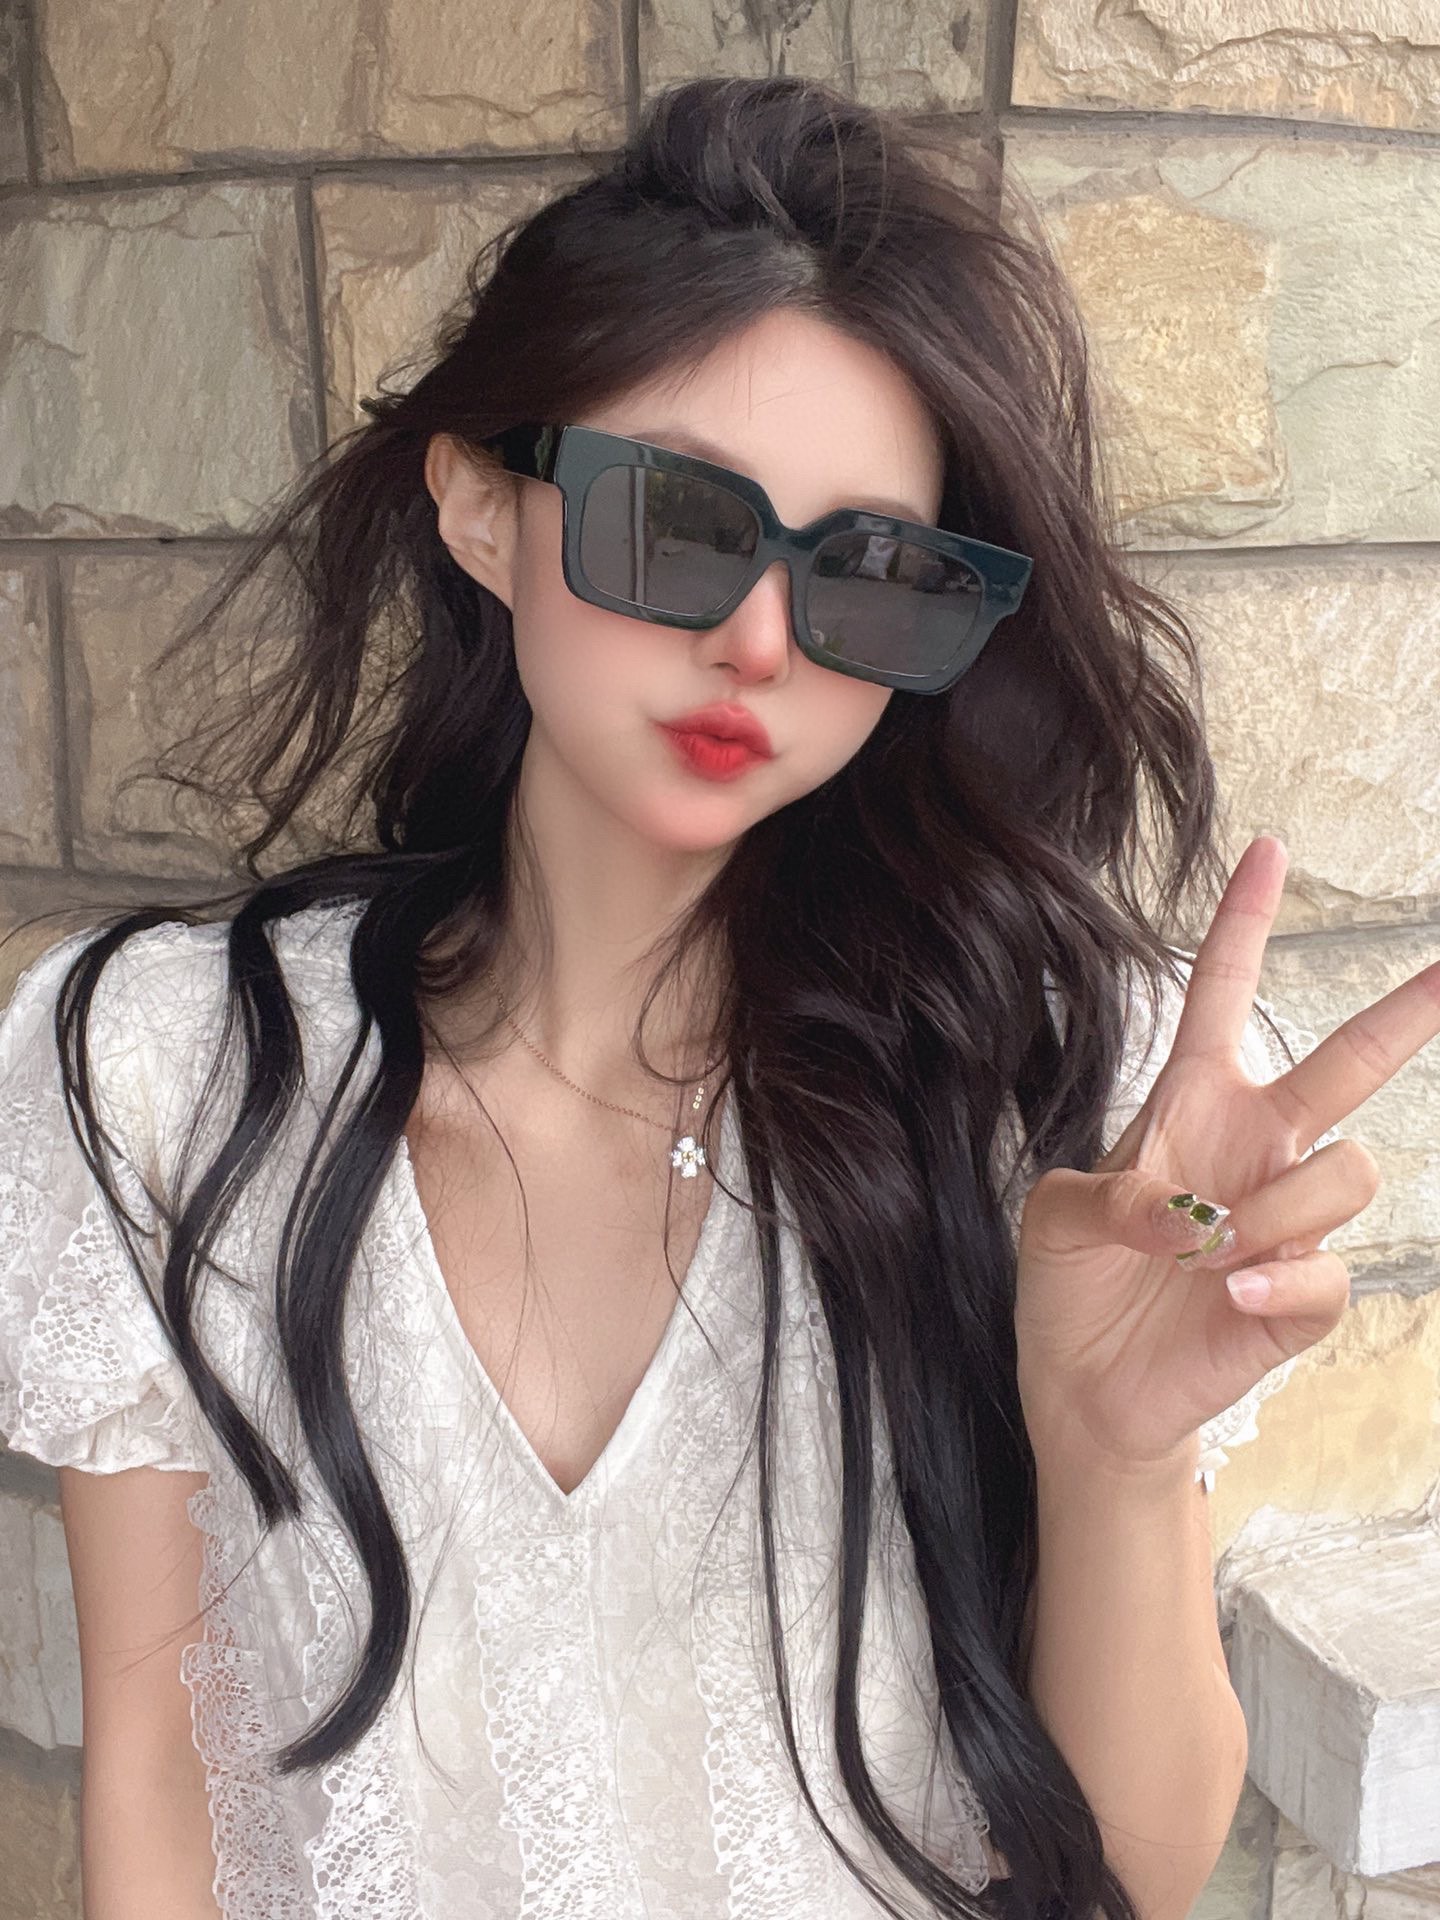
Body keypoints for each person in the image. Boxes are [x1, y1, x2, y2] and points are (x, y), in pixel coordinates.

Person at [3, 72, 1430, 1920]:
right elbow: (160, 1781)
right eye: (676, 522)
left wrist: (1115, 1465)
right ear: (484, 507)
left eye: (871, 574)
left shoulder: (1055, 1097)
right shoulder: (168, 1076)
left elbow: (1133, 1872)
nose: (759, 638)